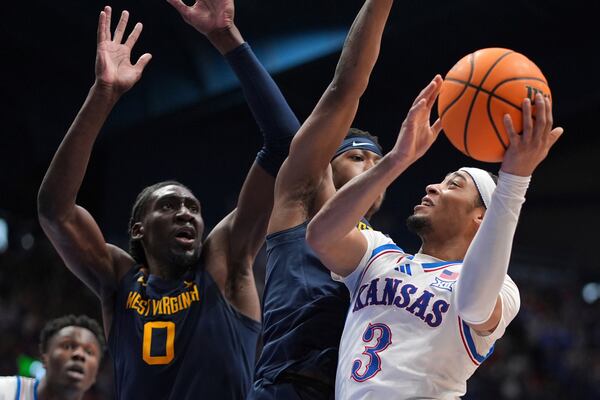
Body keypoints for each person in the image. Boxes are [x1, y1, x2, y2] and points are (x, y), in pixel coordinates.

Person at [37, 1, 299, 398]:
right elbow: (55, 210)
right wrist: (103, 94)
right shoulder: (119, 280)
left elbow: (284, 144)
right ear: (139, 229)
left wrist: (226, 37)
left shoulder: (224, 262)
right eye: (168, 206)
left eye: (193, 208)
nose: (185, 214)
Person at [306, 79, 564, 399]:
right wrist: (398, 158)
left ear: (481, 218)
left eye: (453, 185)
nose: (433, 187)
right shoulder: (379, 254)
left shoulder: (501, 288)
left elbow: (473, 306)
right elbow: (320, 235)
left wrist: (514, 180)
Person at [248, 1, 394, 398]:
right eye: (357, 157)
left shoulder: (384, 252)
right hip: (286, 387)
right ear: (326, 166)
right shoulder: (302, 199)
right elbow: (346, 87)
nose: (372, 169)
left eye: (379, 163)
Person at [0, 315, 104, 400]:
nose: (79, 355)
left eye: (89, 352)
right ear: (45, 358)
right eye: (68, 346)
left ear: (95, 374)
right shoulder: (5, 390)